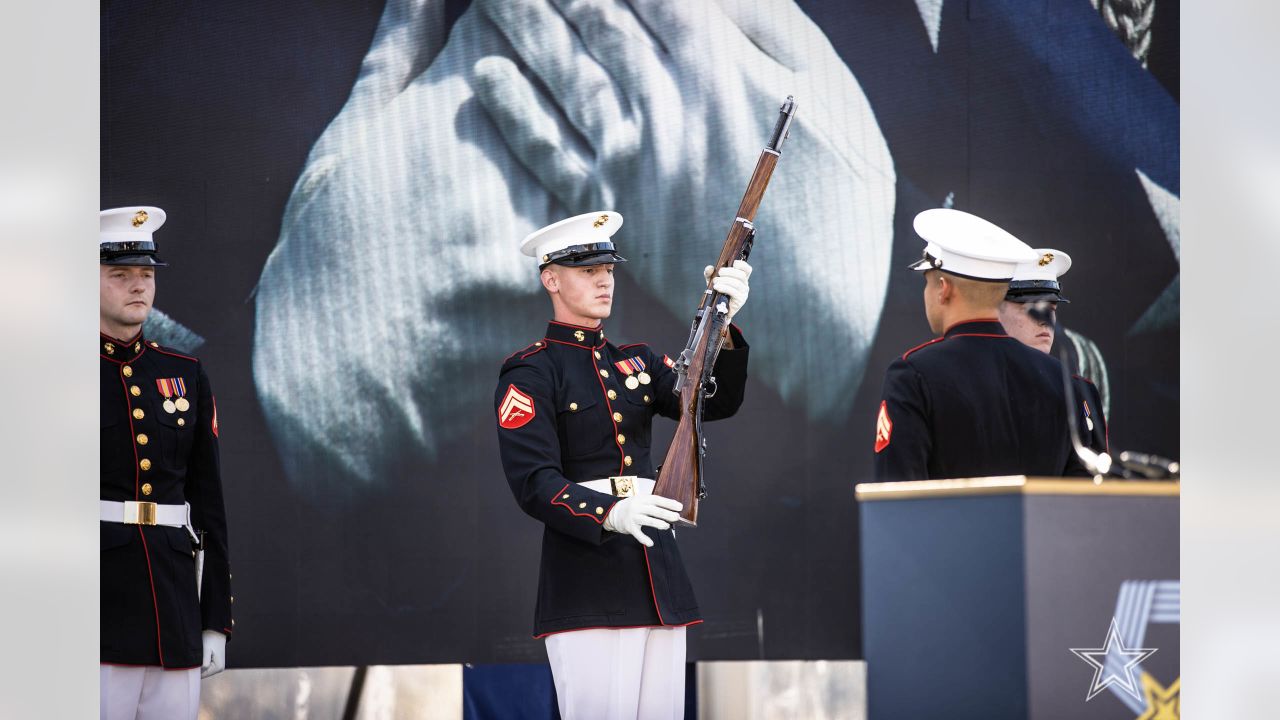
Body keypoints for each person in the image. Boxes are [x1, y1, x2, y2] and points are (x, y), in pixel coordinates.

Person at [494, 211, 751, 719]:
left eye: (608, 269)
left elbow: (710, 403)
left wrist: (723, 325)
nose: (604, 280)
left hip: (656, 570)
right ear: (551, 279)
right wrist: (611, 512)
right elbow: (534, 482)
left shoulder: (635, 361)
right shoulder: (532, 371)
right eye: (587, 270)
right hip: (588, 575)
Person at [100, 206, 233, 720]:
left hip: (173, 609)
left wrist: (213, 620)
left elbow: (209, 504)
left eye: (147, 275)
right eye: (120, 274)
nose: (139, 286)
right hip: (95, 613)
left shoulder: (183, 373)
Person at [873, 208, 1082, 481]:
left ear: (944, 288)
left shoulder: (913, 375)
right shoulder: (1068, 383)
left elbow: (897, 497)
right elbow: (1086, 504)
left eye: (928, 284)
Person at [998, 248, 1109, 454]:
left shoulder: (1078, 391)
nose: (1044, 321)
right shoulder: (980, 384)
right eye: (1030, 309)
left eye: (1050, 311)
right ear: (996, 312)